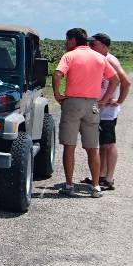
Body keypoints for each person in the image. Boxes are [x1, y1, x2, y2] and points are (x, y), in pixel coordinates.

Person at [52, 27, 117, 198]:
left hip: (73, 103)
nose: (66, 43)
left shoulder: (70, 56)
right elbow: (115, 79)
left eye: (67, 39)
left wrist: (57, 94)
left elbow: (57, 74)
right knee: (92, 148)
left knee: (69, 146)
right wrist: (103, 100)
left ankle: (69, 185)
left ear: (74, 40)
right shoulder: (99, 57)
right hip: (92, 104)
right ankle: (95, 187)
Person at [88, 32, 131, 191]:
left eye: (94, 44)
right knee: (103, 143)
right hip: (101, 108)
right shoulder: (100, 59)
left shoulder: (110, 60)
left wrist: (118, 101)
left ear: (104, 46)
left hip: (107, 111)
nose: (90, 47)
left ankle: (109, 178)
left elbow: (126, 82)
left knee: (109, 144)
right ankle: (101, 175)